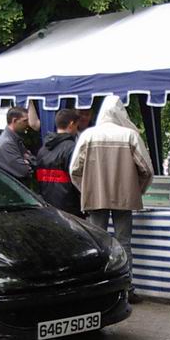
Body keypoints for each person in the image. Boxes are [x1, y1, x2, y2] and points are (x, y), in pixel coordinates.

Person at [69, 95, 153, 303]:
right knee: (124, 242)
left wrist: (86, 189)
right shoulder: (130, 136)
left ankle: (97, 287)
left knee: (96, 244)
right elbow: (146, 169)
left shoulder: (88, 135)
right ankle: (127, 288)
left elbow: (74, 170)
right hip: (125, 198)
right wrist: (136, 190)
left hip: (95, 197)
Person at [35, 109, 82, 215]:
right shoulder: (72, 148)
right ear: (71, 124)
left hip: (47, 205)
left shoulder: (43, 149)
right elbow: (77, 177)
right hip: (69, 207)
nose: (77, 129)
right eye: (76, 125)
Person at [0, 106, 35, 184]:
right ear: (14, 120)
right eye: (25, 121)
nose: (28, 124)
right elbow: (24, 171)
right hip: (5, 193)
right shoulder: (7, 143)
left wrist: (27, 161)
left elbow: (33, 160)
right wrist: (27, 162)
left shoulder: (15, 139)